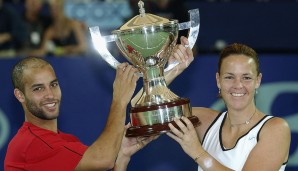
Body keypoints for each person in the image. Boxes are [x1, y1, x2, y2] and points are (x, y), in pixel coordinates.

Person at [4, 56, 156, 170]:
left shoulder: (66, 142)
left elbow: (105, 160)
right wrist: (120, 99)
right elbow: (103, 159)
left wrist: (122, 155)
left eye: (53, 85)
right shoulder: (30, 144)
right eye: (38, 88)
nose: (50, 95)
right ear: (20, 95)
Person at [166, 41, 291, 170]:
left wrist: (197, 152)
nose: (238, 85)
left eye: (246, 77)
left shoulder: (276, 129)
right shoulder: (206, 121)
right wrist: (172, 70)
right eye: (229, 77)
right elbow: (148, 115)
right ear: (218, 80)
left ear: (258, 81)